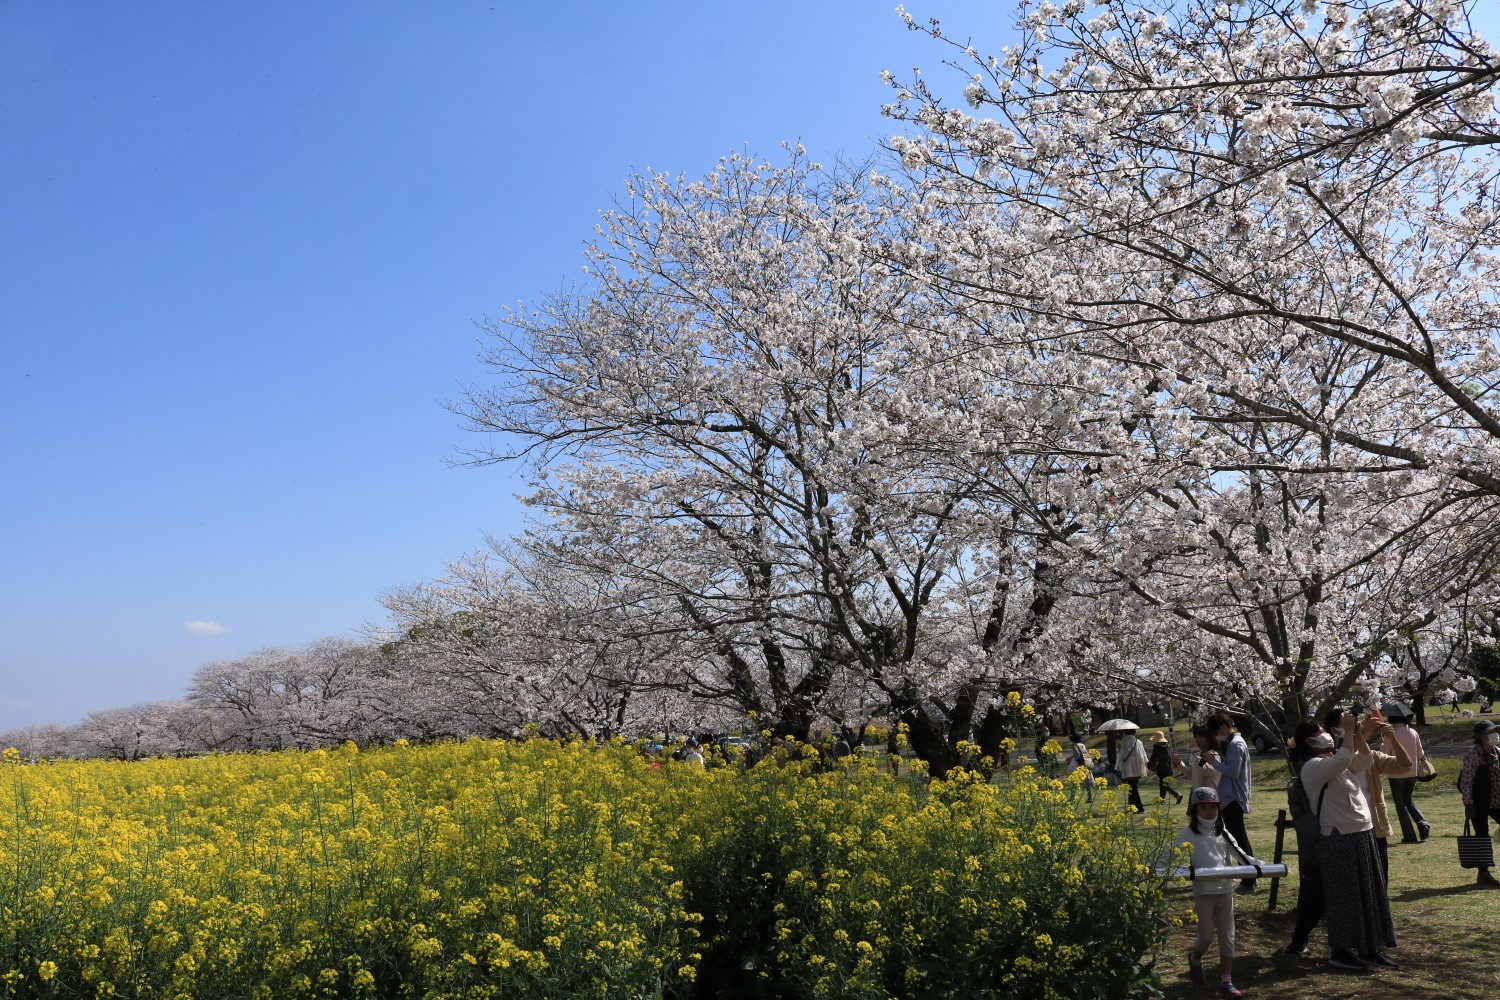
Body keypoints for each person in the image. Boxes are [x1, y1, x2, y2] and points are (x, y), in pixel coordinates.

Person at [1299, 710, 1398, 970]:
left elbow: (1364, 759)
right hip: (1337, 836)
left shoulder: (1335, 760)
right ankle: (1341, 951)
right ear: (1309, 741)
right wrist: (1348, 729)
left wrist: (1355, 733)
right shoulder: (1313, 767)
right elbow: (1345, 758)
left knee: (1370, 893)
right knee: (1346, 896)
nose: (1326, 737)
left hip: (1363, 832)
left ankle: (1371, 948)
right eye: (1320, 733)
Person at [1176, 786, 1254, 998]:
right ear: (1195, 809)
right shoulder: (1189, 833)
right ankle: (1195, 957)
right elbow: (1170, 855)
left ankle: (1226, 980)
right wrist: (1156, 868)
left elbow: (1242, 856)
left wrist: (1260, 866)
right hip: (1203, 892)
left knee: (1228, 935)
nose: (1209, 812)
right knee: (1206, 937)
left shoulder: (1223, 833)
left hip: (1225, 890)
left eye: (1213, 807)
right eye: (1203, 807)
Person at [1328, 707, 1410, 887]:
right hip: (1346, 828)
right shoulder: (1328, 760)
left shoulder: (1370, 757)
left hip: (1374, 824)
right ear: (1334, 730)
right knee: (1355, 882)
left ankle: (1379, 913)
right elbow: (1345, 758)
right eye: (1347, 724)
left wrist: (1393, 739)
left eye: (1354, 722)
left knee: (1380, 878)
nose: (1353, 725)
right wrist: (1363, 733)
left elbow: (1404, 765)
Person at [1206, 710, 1256, 892]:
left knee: (1239, 840)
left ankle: (1249, 880)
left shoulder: (1236, 744)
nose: (1217, 737)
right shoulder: (1234, 743)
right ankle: (1249, 877)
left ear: (1222, 728)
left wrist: (1214, 762)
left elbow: (1233, 771)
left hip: (1233, 798)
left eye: (1216, 733)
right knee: (1237, 839)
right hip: (1230, 797)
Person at [1457, 720, 1500, 886]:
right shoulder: (1473, 755)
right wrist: (1468, 803)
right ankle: (1483, 874)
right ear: (1482, 737)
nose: (1495, 735)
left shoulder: (1498, 752)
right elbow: (1466, 781)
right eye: (1491, 732)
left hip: (1497, 800)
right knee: (1482, 836)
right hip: (1479, 803)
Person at [1386, 712, 1431, 843]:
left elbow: (1385, 754)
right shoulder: (1413, 732)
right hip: (1413, 772)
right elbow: (1420, 753)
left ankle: (1409, 836)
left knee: (1400, 805)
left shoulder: (1389, 733)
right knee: (1409, 800)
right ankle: (1423, 823)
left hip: (1396, 772)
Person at [1148, 731, 1184, 803]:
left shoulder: (1157, 747)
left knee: (1164, 785)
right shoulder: (1167, 746)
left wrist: (1148, 766)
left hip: (1162, 769)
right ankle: (1162, 799)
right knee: (1163, 785)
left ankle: (1176, 795)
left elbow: (1153, 758)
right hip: (1169, 769)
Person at [1117, 729, 1148, 812]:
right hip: (1138, 766)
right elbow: (1144, 755)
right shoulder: (1139, 742)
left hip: (1129, 767)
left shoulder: (1124, 742)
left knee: (1133, 788)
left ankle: (1140, 808)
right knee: (1132, 787)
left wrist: (1118, 766)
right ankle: (1130, 806)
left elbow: (1121, 756)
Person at [1188, 724, 1223, 793]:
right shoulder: (1196, 754)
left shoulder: (1214, 754)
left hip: (1210, 799)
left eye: (1200, 737)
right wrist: (1179, 764)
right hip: (1198, 796)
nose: (1196, 740)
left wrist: (1196, 752)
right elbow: (1192, 774)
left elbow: (1206, 771)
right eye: (1195, 737)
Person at [1067, 731, 1095, 802]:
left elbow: (1078, 756)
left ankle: (1073, 797)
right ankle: (1090, 797)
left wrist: (1080, 765)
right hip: (1085, 764)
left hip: (1079, 765)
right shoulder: (1083, 745)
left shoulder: (1075, 746)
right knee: (1087, 782)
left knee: (1073, 781)